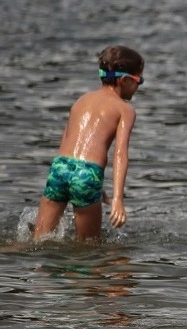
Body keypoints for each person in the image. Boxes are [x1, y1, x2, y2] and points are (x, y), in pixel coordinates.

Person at [33, 46, 145, 241]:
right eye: (139, 81)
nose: (139, 87)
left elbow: (66, 139)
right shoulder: (124, 109)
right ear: (124, 79)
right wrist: (118, 199)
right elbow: (120, 154)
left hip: (59, 167)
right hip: (88, 174)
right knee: (88, 249)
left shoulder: (81, 100)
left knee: (37, 241)